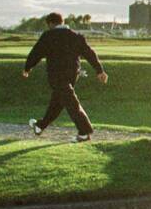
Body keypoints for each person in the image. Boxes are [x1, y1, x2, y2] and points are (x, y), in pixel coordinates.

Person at [22, 12, 107, 141]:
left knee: (71, 103)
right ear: (62, 22)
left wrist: (27, 68)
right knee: (58, 102)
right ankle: (40, 126)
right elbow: (89, 53)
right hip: (73, 74)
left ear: (50, 23)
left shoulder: (48, 36)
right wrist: (99, 70)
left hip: (56, 75)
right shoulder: (76, 36)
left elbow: (36, 53)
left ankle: (85, 132)